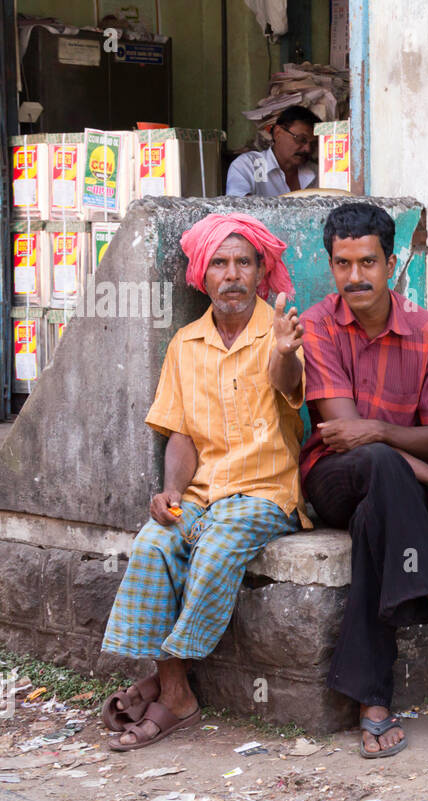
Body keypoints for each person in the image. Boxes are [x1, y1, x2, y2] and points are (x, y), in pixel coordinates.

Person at [299, 202, 428, 759]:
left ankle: (373, 701)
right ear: (332, 266)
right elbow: (340, 436)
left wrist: (379, 433)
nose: (355, 277)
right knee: (381, 468)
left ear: (391, 263)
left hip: (389, 493)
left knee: (376, 523)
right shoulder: (316, 324)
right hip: (333, 480)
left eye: (367, 262)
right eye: (342, 264)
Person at [99, 212, 309, 749]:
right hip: (201, 493)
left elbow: (291, 390)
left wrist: (285, 353)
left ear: (261, 272)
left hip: (263, 494)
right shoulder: (185, 344)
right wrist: (172, 492)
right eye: (220, 263)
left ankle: (169, 690)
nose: (232, 274)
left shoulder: (279, 331)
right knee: (155, 542)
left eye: (244, 262)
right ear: (202, 273)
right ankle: (174, 687)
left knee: (215, 549)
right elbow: (182, 435)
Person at [225, 105, 319, 197]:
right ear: (278, 133)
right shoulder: (248, 165)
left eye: (314, 143)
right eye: (301, 139)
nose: (308, 149)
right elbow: (239, 206)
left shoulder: (317, 172)